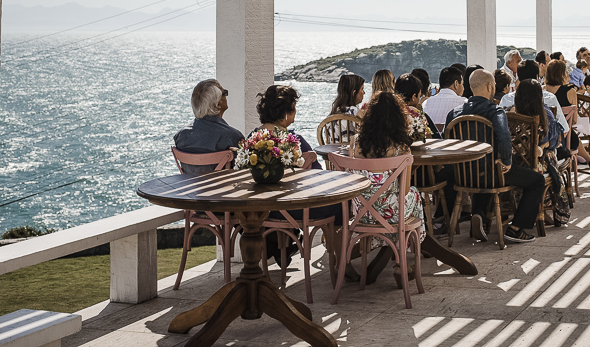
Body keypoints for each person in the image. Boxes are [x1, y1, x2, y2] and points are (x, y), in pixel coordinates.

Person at [446, 69, 544, 244]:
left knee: (483, 170)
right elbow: (504, 138)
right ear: (490, 87)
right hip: (490, 173)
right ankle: (515, 229)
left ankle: (479, 215)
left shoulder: (453, 113)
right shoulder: (495, 112)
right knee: (537, 180)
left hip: (462, 176)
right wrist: (506, 160)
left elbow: (447, 144)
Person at [254, 84, 342, 266]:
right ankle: (340, 262)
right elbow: (317, 178)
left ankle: (282, 247)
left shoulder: (252, 140)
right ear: (286, 112)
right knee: (341, 204)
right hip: (294, 210)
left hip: (260, 211)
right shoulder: (295, 142)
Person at [349, 91, 426, 268]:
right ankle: (404, 262)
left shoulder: (355, 142)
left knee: (394, 201)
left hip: (362, 214)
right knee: (413, 194)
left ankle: (386, 251)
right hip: (391, 216)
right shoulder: (401, 149)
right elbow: (404, 190)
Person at [513, 79, 571, 225]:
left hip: (516, 160)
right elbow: (552, 143)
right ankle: (543, 210)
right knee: (552, 157)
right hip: (538, 161)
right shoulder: (545, 113)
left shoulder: (511, 113)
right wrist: (543, 145)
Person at [174, 79, 243, 174]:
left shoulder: (180, 137)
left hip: (191, 188)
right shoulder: (233, 137)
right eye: (224, 93)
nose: (226, 96)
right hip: (222, 187)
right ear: (218, 104)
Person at [545, 59, 590, 165]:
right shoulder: (570, 91)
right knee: (571, 133)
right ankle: (589, 159)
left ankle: (589, 158)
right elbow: (574, 121)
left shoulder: (542, 90)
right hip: (563, 138)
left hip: (544, 134)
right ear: (562, 74)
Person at [396, 73, 439, 138]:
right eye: (419, 95)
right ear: (414, 97)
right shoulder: (418, 115)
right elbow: (435, 138)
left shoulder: (389, 112)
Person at [423, 66, 465, 133]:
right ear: (456, 84)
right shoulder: (464, 103)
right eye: (462, 84)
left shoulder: (426, 103)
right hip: (453, 142)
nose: (463, 88)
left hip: (431, 142)